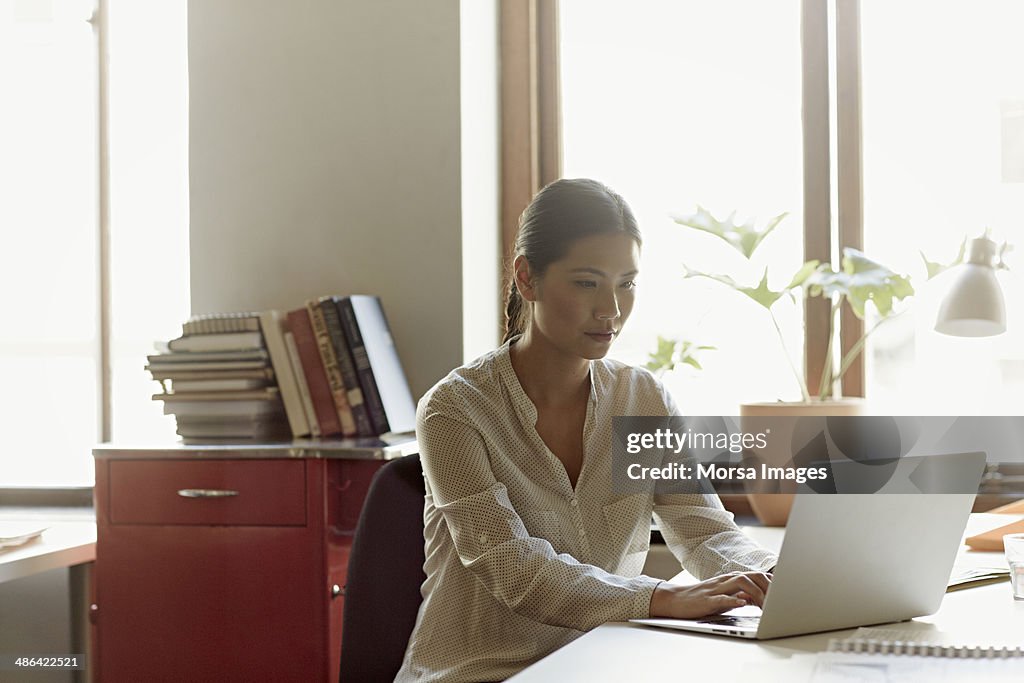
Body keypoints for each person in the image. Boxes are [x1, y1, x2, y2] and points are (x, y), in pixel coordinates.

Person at [395, 178, 777, 682]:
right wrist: (660, 597)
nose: (611, 310)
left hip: (599, 667)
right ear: (527, 279)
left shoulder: (641, 400)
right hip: (479, 674)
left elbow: (704, 530)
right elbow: (516, 570)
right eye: (586, 282)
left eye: (627, 283)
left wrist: (773, 577)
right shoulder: (454, 410)